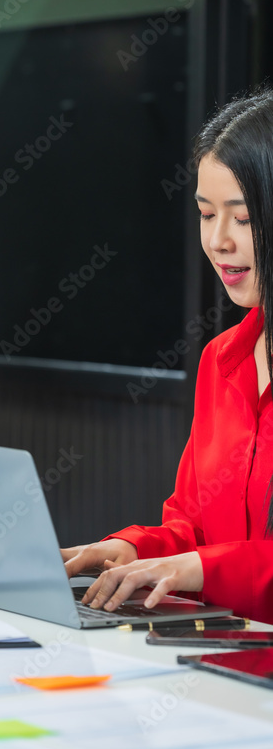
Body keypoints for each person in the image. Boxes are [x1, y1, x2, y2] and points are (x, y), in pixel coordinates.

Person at [62, 88, 273, 624]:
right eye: (206, 215)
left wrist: (198, 568)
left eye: (243, 218)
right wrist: (133, 549)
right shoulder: (222, 360)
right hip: (221, 661)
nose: (219, 241)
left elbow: (203, 559)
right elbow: (193, 529)